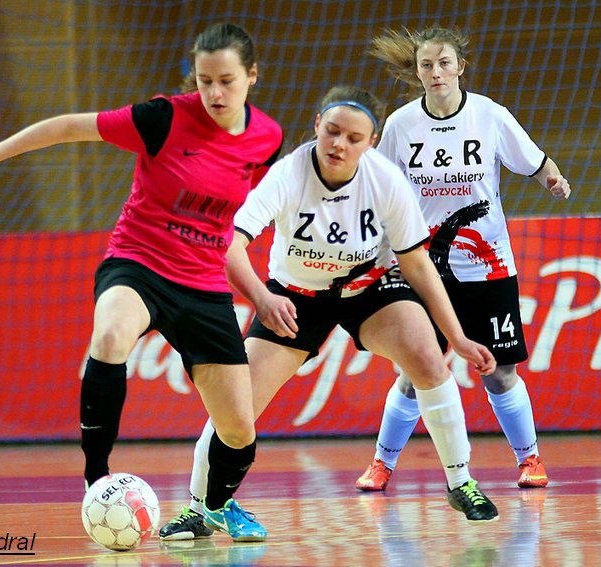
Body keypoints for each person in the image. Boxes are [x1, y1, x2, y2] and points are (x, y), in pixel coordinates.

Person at [0, 22, 283, 542]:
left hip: (202, 281)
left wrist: (258, 289)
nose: (214, 92)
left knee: (239, 430)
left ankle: (214, 506)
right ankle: (96, 478)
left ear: (252, 77)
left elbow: (238, 226)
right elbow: (65, 127)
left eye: (227, 81)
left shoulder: (268, 139)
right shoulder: (163, 117)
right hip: (138, 262)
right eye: (205, 78)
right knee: (109, 337)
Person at [159, 84, 500, 542]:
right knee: (234, 406)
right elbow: (230, 245)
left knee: (427, 356)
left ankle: (461, 483)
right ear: (317, 124)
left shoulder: (386, 181)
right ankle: (201, 508)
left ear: (372, 141)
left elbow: (417, 263)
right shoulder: (286, 175)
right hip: (293, 297)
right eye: (333, 131)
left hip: (368, 286)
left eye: (354, 138)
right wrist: (262, 298)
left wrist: (456, 337)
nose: (340, 144)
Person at [354, 26, 571, 493]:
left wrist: (553, 180)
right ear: (417, 72)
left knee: (501, 373)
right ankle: (381, 463)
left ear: (460, 67)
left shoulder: (489, 116)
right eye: (427, 65)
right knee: (416, 374)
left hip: (488, 265)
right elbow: (379, 185)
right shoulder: (400, 124)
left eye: (444, 63)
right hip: (422, 267)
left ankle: (529, 459)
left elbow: (535, 161)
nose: (436, 72)